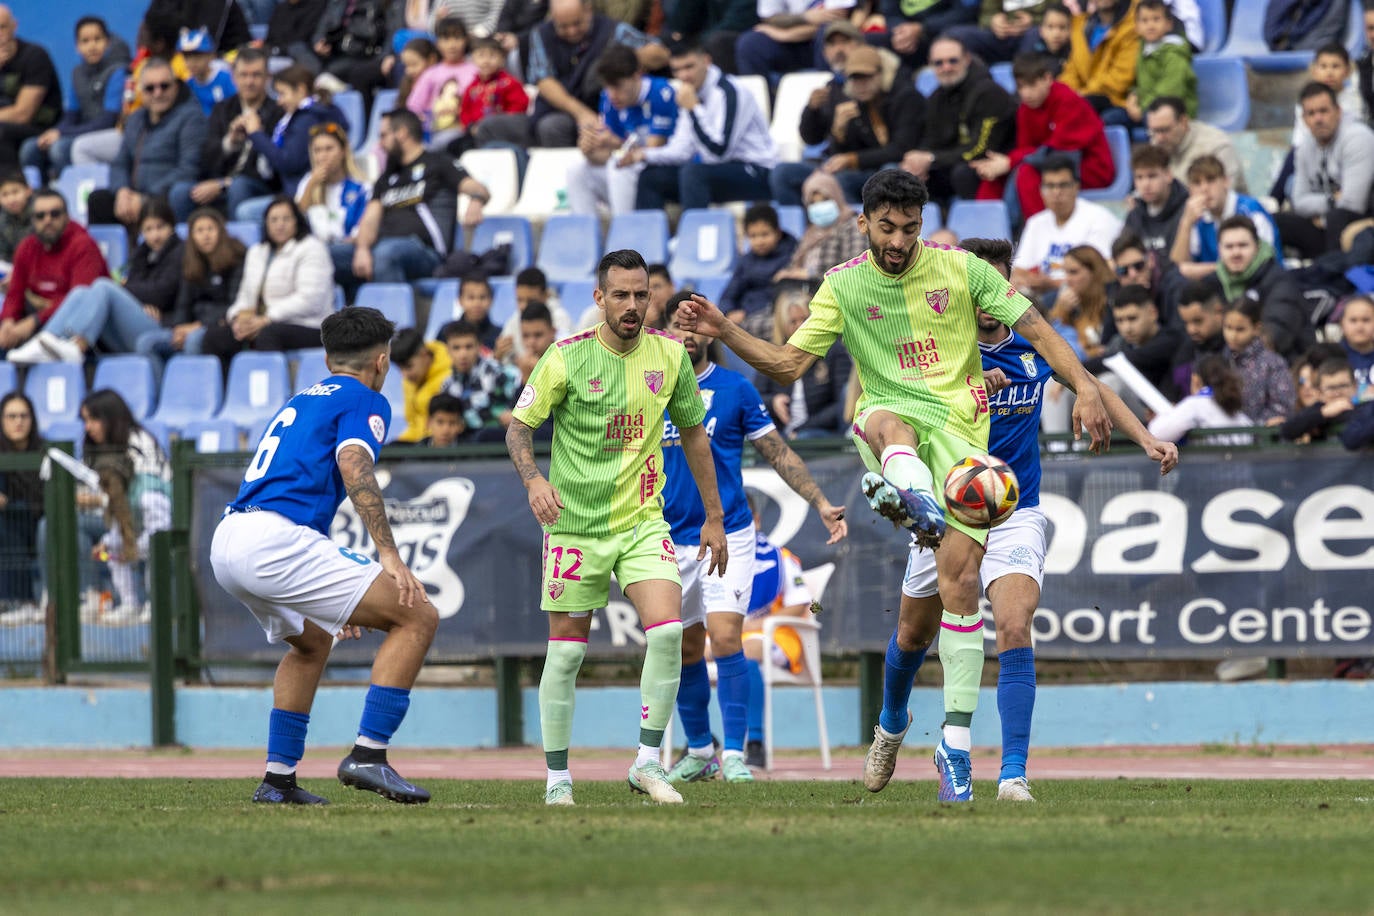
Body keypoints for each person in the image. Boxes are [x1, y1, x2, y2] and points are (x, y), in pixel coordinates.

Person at [673, 170, 1115, 799]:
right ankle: (914, 501)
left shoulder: (963, 270)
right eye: (887, 227)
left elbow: (1040, 329)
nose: (900, 240)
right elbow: (786, 363)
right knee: (885, 422)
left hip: (964, 453)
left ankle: (951, 744)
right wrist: (725, 331)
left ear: (922, 224)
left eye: (910, 228)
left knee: (947, 608)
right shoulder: (843, 285)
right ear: (864, 223)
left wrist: (1087, 387)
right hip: (889, 428)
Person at [898, 237, 1176, 802]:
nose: (988, 299)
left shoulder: (1034, 346)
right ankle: (889, 722)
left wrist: (1145, 438)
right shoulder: (936, 351)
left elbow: (1090, 385)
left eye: (1000, 288)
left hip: (1015, 510)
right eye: (979, 288)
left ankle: (1013, 774)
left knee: (1014, 627)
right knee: (912, 633)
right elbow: (903, 418)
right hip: (947, 514)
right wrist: (970, 391)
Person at [506, 248, 728, 807]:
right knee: (566, 655)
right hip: (574, 526)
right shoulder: (564, 357)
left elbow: (695, 436)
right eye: (621, 295)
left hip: (642, 522)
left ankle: (646, 763)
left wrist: (714, 516)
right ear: (599, 298)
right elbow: (518, 429)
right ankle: (558, 778)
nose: (633, 305)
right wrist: (534, 481)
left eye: (641, 294)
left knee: (669, 632)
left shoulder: (671, 355)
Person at [212, 306, 438, 805]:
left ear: (328, 356)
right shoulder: (365, 398)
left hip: (230, 537)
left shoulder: (304, 397)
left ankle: (277, 780)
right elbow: (353, 463)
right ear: (382, 361)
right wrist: (388, 555)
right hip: (274, 542)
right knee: (417, 615)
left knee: (312, 643)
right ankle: (369, 755)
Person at [660, 291, 847, 785]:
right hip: (666, 538)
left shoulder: (737, 389)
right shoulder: (647, 390)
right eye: (680, 324)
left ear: (711, 332)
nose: (689, 332)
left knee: (724, 636)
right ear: (665, 333)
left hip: (730, 534)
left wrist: (821, 503)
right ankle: (700, 749)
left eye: (697, 323)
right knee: (681, 647)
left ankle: (739, 754)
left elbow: (778, 453)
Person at [7, 197, 183, 365]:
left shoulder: (180, 252)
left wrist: (125, 290)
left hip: (164, 329)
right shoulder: (142, 253)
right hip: (135, 323)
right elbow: (136, 288)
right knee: (81, 292)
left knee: (102, 286)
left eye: (161, 227)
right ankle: (43, 342)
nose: (155, 235)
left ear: (173, 227)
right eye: (148, 229)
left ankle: (77, 346)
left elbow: (162, 291)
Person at [332, 109, 490, 295]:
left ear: (402, 133)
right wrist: (362, 249)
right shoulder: (387, 177)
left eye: (384, 136)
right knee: (326, 255)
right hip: (383, 246)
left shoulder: (438, 162)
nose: (380, 144)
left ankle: (387, 323)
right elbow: (370, 219)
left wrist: (476, 200)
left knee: (385, 254)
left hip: (426, 251)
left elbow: (479, 189)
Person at [627, 40, 778, 211]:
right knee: (651, 177)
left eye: (689, 67)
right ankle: (651, 236)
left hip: (758, 171)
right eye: (677, 70)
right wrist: (642, 155)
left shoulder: (730, 92)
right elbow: (681, 151)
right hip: (719, 172)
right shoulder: (691, 93)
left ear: (706, 61)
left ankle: (693, 233)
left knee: (694, 173)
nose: (684, 76)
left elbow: (719, 153)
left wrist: (693, 109)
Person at [502, 0, 663, 148]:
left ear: (588, 11)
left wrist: (626, 57)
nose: (572, 31)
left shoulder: (613, 30)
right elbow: (543, 80)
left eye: (577, 23)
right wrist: (581, 113)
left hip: (608, 108)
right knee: (549, 125)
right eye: (563, 26)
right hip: (563, 109)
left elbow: (660, 53)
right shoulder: (541, 33)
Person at [975, 55, 1116, 223]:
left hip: (1088, 167)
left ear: (1047, 79)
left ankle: (1039, 232)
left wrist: (1010, 162)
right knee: (993, 177)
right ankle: (986, 239)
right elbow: (1027, 149)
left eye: (1032, 85)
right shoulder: (1026, 109)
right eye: (1020, 87)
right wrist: (1003, 164)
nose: (1026, 93)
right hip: (1048, 162)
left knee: (1026, 173)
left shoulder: (1068, 101)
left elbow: (1058, 150)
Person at [204, 196, 334, 370]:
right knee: (215, 337)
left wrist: (267, 319)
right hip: (262, 322)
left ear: (297, 221)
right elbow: (245, 296)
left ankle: (270, 393)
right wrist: (237, 318)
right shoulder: (257, 251)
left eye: (286, 219)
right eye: (273, 220)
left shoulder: (312, 248)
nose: (279, 225)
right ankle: (230, 392)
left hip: (309, 325)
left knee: (268, 335)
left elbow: (310, 300)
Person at [79, 388, 172, 624]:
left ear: (110, 418)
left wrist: (131, 546)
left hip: (159, 520)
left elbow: (150, 503)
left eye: (94, 419)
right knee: (108, 550)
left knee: (153, 547)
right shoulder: (99, 448)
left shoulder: (140, 441)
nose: (88, 427)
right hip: (126, 521)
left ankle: (157, 605)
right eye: (85, 420)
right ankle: (129, 604)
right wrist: (113, 543)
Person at [897, 34, 1017, 210]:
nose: (946, 68)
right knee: (904, 175)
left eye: (953, 61)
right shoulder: (937, 96)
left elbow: (980, 149)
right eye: (939, 63)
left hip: (994, 165)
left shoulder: (989, 93)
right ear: (931, 64)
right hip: (955, 164)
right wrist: (916, 161)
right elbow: (930, 140)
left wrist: (931, 158)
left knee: (962, 174)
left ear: (967, 59)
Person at [88, 57, 207, 232]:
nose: (157, 93)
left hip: (165, 195)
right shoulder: (135, 119)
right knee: (99, 199)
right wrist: (121, 191)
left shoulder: (191, 117)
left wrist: (146, 198)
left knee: (178, 193)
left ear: (175, 86)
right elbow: (120, 163)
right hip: (135, 196)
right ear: (141, 92)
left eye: (164, 86)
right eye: (150, 88)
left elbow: (188, 170)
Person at [171, 47, 283, 224]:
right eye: (243, 75)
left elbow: (271, 170)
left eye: (256, 75)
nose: (249, 82)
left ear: (268, 77)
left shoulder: (278, 112)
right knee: (181, 192)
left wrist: (224, 183)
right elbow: (206, 157)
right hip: (218, 181)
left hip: (257, 186)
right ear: (233, 77)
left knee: (239, 187)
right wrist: (229, 143)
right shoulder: (222, 109)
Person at [566, 43, 678, 218]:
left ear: (637, 76)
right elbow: (608, 154)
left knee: (619, 168)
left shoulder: (660, 93)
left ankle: (624, 235)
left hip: (665, 172)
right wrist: (589, 150)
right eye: (607, 87)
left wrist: (615, 144)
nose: (612, 94)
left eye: (617, 86)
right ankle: (585, 238)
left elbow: (653, 149)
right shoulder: (609, 100)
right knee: (577, 171)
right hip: (632, 172)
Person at [136, 207, 246, 376]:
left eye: (210, 229)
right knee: (146, 343)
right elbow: (183, 305)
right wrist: (179, 329)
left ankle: (194, 395)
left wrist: (197, 326)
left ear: (221, 231)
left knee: (194, 340)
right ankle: (160, 396)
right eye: (199, 231)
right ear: (192, 237)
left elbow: (234, 305)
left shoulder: (236, 259)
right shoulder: (191, 263)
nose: (205, 235)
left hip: (222, 327)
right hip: (191, 327)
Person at [18, 16, 129, 182]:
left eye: (97, 39)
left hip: (105, 133)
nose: (92, 46)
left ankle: (67, 196)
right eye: (85, 41)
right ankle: (40, 197)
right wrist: (53, 132)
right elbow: (71, 115)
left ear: (107, 42)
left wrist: (62, 133)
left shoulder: (118, 71)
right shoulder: (76, 73)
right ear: (77, 47)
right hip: (79, 131)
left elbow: (108, 120)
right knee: (31, 148)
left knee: (59, 149)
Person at [235, 64, 346, 222]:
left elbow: (288, 162)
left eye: (282, 94)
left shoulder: (307, 119)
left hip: (303, 194)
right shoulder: (301, 116)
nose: (279, 101)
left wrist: (256, 134)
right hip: (289, 188)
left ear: (300, 90)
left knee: (246, 212)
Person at [0, 189, 106, 355]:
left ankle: (40, 347)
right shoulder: (26, 247)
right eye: (40, 216)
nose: (47, 220)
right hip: (37, 320)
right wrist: (8, 322)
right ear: (33, 221)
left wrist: (32, 322)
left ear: (67, 217)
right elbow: (14, 293)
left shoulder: (83, 246)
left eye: (55, 214)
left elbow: (81, 298)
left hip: (76, 327)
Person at [1275, 82, 1374, 260]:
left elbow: (1353, 204)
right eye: (1311, 113)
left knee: (1337, 217)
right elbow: (1299, 202)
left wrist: (1323, 215)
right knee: (1275, 221)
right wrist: (1330, 201)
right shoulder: (1304, 148)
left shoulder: (1358, 138)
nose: (1318, 119)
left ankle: (1334, 279)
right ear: (1304, 119)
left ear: (1338, 111)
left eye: (1324, 111)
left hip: (1363, 223)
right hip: (1326, 221)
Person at [1009, 156, 1122, 299]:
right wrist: (1032, 281)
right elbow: (1018, 271)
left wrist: (1051, 284)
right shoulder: (1036, 222)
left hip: (1084, 297)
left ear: (1076, 187)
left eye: (1063, 185)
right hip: (1041, 297)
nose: (1056, 193)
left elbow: (1101, 273)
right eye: (1050, 186)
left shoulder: (1099, 218)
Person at [1213, 215, 1313, 364]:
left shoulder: (1280, 281)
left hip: (1285, 368)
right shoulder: (1215, 282)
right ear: (1219, 250)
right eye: (1229, 247)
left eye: (1243, 245)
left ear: (1257, 246)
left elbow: (1276, 334)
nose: (1236, 253)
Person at [756, 288, 852, 438]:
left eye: (805, 320)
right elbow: (755, 397)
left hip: (821, 432)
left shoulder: (834, 351)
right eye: (793, 321)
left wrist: (801, 429)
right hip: (780, 432)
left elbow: (844, 404)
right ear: (782, 324)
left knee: (804, 437)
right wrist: (772, 401)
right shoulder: (773, 353)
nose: (800, 326)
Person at [1171, 155, 1280, 281]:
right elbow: (1177, 269)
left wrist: (1209, 269)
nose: (1204, 189)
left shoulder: (1251, 211)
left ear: (1226, 181)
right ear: (1190, 190)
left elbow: (1260, 263)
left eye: (1211, 180)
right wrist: (1186, 223)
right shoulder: (1196, 218)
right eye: (1197, 183)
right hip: (1217, 289)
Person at [772, 171, 869, 286]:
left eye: (825, 200)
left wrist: (811, 275)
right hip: (804, 291)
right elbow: (795, 266)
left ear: (836, 196)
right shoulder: (810, 233)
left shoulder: (853, 226)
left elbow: (856, 268)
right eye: (813, 203)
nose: (819, 207)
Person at [0, 5, 62, 172]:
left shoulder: (34, 56)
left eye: (2, 27)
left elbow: (23, 114)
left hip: (41, 127)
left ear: (15, 25)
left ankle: (10, 187)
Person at [438, 318, 522, 441]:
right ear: (448, 350)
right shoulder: (447, 385)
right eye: (456, 348)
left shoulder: (500, 373)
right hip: (463, 444)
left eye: (469, 347)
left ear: (479, 346)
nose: (463, 354)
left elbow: (521, 408)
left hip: (497, 441)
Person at [733, 0, 856, 84]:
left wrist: (784, 35)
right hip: (790, 44)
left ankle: (827, 103)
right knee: (749, 44)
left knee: (828, 34)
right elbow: (771, 17)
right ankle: (763, 109)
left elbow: (837, 21)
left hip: (823, 40)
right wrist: (805, 17)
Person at [720, 204, 798, 335]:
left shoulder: (793, 256)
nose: (759, 241)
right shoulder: (746, 261)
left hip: (770, 314)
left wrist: (747, 313)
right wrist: (728, 312)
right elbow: (729, 294)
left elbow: (779, 296)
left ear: (778, 233)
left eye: (765, 234)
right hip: (743, 315)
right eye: (753, 236)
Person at [1118, 0, 1195, 132]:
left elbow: (1170, 90)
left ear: (1169, 24)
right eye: (1144, 20)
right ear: (1136, 26)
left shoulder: (1175, 52)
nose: (1151, 25)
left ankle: (1157, 152)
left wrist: (1142, 108)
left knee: (1152, 119)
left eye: (1156, 19)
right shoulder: (1142, 49)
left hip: (1172, 109)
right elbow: (1139, 83)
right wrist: (1133, 98)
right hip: (1146, 105)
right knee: (1111, 117)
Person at [1144, 95, 1247, 194]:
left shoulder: (1217, 146)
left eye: (1165, 130)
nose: (1159, 138)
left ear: (1183, 122)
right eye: (1154, 131)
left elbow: (1223, 196)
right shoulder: (1157, 143)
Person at [1059, 0, 1140, 124]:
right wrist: (1066, 96)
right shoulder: (1081, 26)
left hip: (1118, 103)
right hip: (1083, 99)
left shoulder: (1136, 24)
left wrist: (1081, 96)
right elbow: (1071, 71)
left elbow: (1120, 79)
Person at [1147, 352, 1252, 445]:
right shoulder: (1242, 415)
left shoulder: (1194, 405)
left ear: (1195, 380)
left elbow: (1155, 434)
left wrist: (1167, 414)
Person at [0, 391, 42, 620]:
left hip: (38, 521)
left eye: (24, 416)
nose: (18, 422)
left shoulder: (44, 450)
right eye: (11, 416)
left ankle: (19, 601)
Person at [1222, 297, 1296, 425]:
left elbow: (1282, 407)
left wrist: (1253, 428)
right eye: (1228, 327)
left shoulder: (1272, 363)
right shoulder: (1221, 361)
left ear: (1256, 328)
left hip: (1261, 440)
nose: (1232, 335)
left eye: (1240, 329)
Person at [409, 18, 479, 153]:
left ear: (466, 40)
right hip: (437, 133)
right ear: (437, 43)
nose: (452, 45)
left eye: (457, 38)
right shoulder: (431, 73)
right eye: (446, 39)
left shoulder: (475, 71)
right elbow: (414, 106)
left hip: (466, 131)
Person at [296, 121, 369, 243]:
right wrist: (311, 186)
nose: (322, 156)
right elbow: (295, 220)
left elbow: (362, 229)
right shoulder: (308, 182)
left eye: (329, 149)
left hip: (347, 249)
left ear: (343, 151)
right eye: (317, 150)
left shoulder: (362, 186)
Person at [461, 36, 532, 147]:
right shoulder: (471, 88)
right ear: (473, 59)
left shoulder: (510, 83)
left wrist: (500, 123)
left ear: (502, 59)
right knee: (458, 146)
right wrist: (470, 127)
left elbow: (519, 106)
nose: (486, 61)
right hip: (475, 131)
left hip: (502, 132)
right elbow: (465, 111)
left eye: (492, 56)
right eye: (481, 56)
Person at [1123, 143, 1188, 264]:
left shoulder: (1187, 210)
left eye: (1152, 176)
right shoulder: (1134, 215)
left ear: (1168, 175)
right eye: (1139, 177)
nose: (1145, 184)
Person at [392, 326, 453, 443]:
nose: (405, 375)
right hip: (417, 441)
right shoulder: (410, 380)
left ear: (424, 354)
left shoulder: (450, 377)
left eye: (409, 366)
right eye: (400, 369)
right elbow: (413, 425)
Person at [1280, 355, 1359, 442]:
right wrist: (1324, 413)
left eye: (1343, 386)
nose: (1337, 393)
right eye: (1331, 388)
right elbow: (1287, 430)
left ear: (1355, 387)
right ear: (1320, 392)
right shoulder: (1317, 409)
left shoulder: (1364, 409)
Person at [1169, 279, 1225, 396]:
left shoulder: (1234, 350)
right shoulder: (1186, 349)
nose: (1191, 330)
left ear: (1218, 311)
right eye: (1186, 323)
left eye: (1197, 321)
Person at [180, 27, 236, 116]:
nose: (192, 62)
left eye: (197, 56)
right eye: (187, 57)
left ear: (211, 55)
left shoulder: (226, 79)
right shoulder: (188, 86)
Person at [512, 301, 557, 384]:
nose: (531, 342)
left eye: (538, 335)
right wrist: (525, 379)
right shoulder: (522, 365)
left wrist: (540, 373)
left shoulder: (563, 362)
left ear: (553, 332)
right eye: (526, 335)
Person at [1339, 295, 1374, 391]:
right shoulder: (1332, 356)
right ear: (1342, 323)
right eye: (1353, 320)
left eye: (1366, 320)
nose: (1359, 327)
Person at [0, 168, 31, 274]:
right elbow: (4, 254)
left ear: (28, 190)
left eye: (15, 192)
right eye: (5, 194)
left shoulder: (41, 213)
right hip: (14, 269)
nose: (11, 199)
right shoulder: (2, 221)